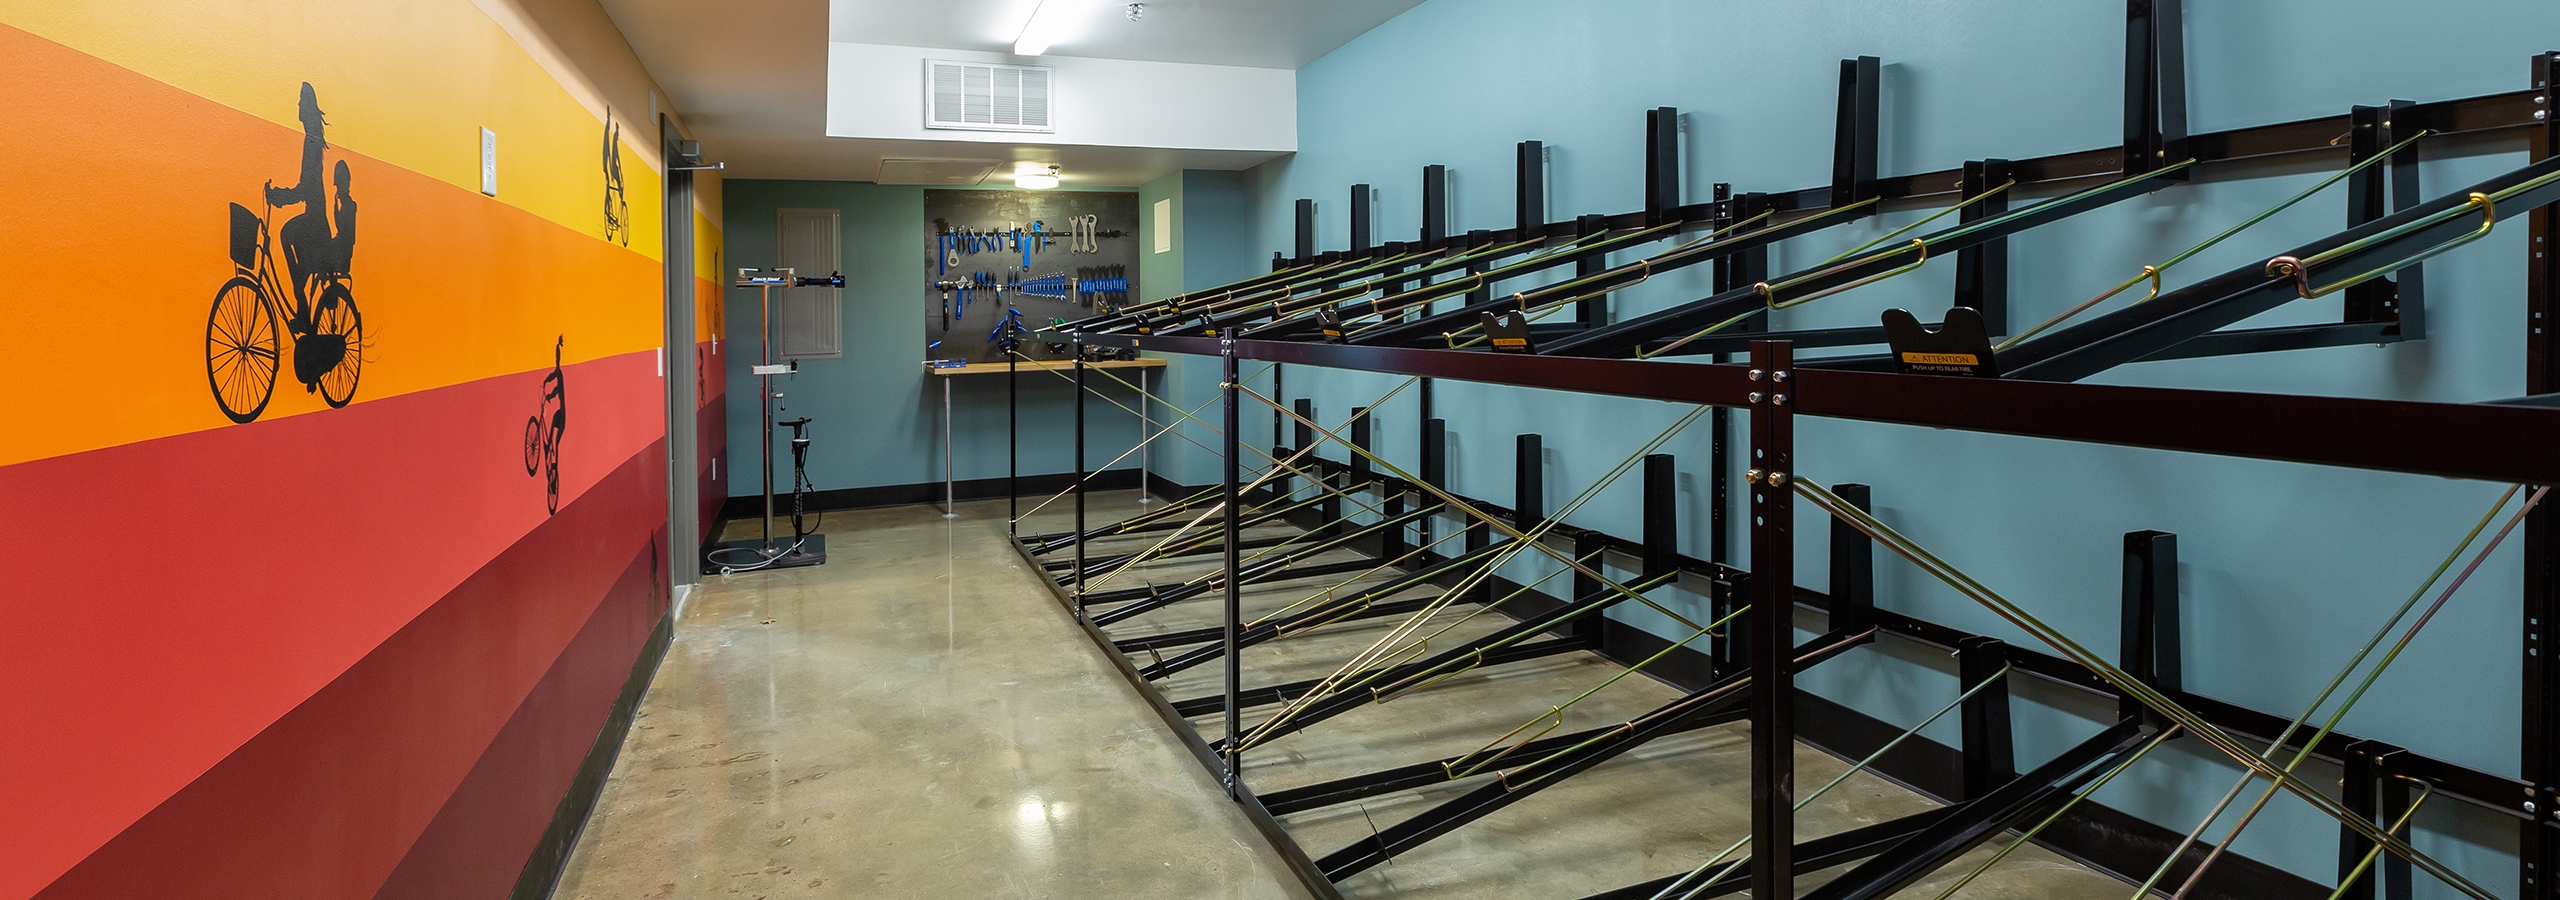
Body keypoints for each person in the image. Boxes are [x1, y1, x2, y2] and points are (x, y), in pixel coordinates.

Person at [266, 82, 332, 327]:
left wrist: (279, 197)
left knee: (286, 233)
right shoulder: (311, 139)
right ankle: (300, 292)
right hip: (314, 219)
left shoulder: (312, 142)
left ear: (308, 108)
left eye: (301, 102)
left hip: (315, 223)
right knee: (287, 236)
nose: (298, 106)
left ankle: (301, 301)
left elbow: (306, 188)